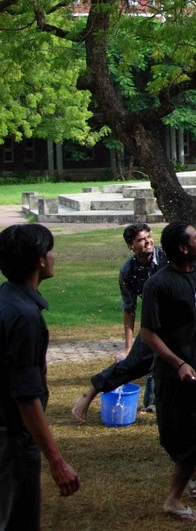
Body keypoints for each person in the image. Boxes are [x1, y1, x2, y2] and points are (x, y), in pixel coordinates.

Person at [140, 222, 196, 522]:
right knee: (171, 438)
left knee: (195, 437)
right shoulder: (158, 285)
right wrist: (178, 363)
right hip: (171, 374)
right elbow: (148, 333)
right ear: (183, 248)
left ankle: (173, 499)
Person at [0, 224, 81, 528]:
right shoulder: (24, 317)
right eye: (50, 250)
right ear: (40, 261)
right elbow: (26, 395)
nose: (54, 255)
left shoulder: (6, 298)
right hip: (11, 441)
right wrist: (56, 461)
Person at [71, 223, 166, 422]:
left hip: (177, 324)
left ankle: (159, 406)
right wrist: (127, 347)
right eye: (141, 239)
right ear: (131, 246)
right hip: (154, 326)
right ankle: (91, 392)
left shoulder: (167, 256)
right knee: (131, 364)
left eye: (149, 236)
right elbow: (129, 309)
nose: (148, 241)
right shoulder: (128, 270)